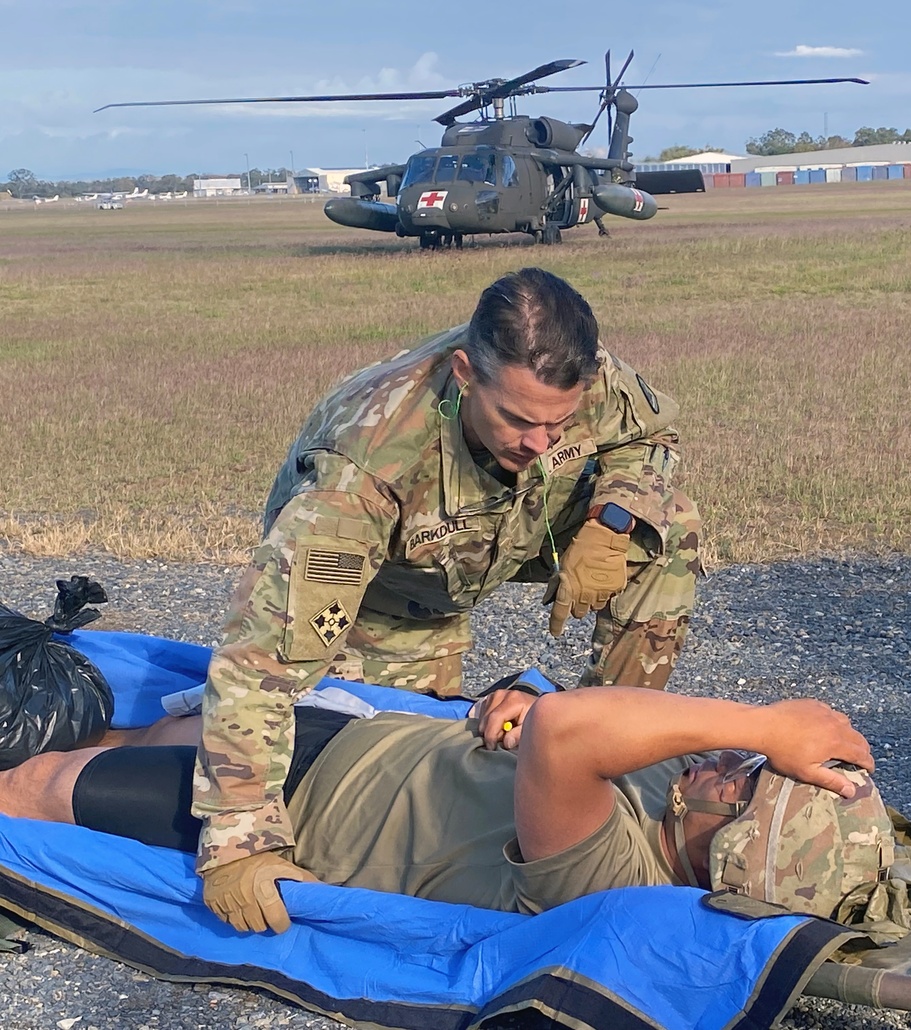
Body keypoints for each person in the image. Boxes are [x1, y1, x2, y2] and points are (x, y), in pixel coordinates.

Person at [194, 267, 701, 893]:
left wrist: (614, 517)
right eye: (518, 420)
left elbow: (653, 436)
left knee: (671, 525)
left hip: (506, 531)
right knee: (373, 748)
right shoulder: (363, 466)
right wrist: (240, 837)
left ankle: (601, 724)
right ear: (465, 374)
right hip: (384, 591)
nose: (542, 444)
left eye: (559, 424)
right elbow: (262, 656)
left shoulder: (582, 375)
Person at [0, 686, 887, 936]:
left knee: (37, 789)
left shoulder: (609, 876)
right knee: (144, 730)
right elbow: (569, 715)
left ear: (721, 854)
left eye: (749, 784)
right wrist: (518, 700)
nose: (735, 762)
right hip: (355, 737)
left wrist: (769, 724)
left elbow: (575, 731)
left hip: (298, 804)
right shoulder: (680, 797)